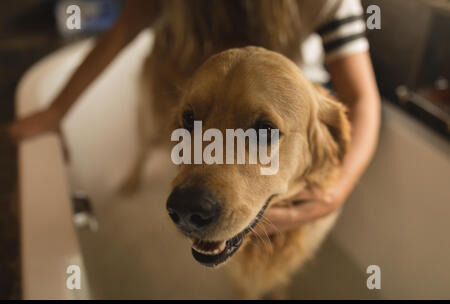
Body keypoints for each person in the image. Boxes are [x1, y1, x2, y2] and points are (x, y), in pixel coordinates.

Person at [7, 0, 380, 235]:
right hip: (185, 79)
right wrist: (56, 112)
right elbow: (120, 33)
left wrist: (336, 190)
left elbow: (361, 97)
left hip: (281, 100)